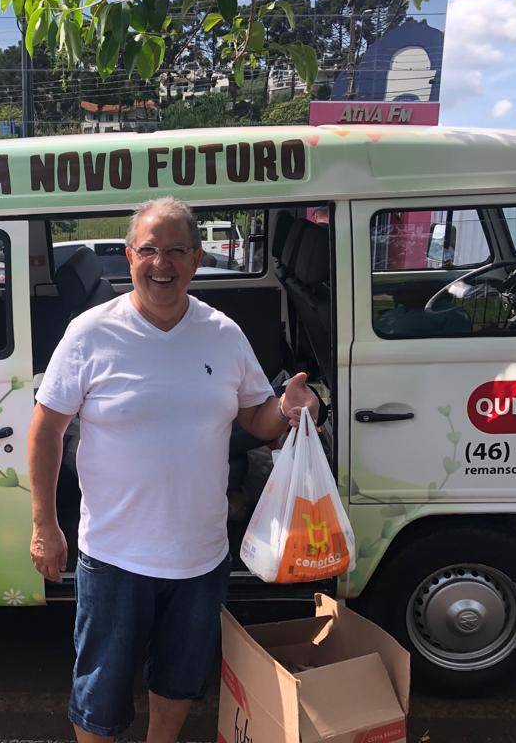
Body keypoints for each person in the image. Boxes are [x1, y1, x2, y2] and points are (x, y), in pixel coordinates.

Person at [28, 197, 321, 743]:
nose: (161, 264)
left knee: (180, 682)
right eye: (149, 250)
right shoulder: (90, 333)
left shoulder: (223, 333)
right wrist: (45, 524)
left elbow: (256, 418)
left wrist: (287, 408)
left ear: (196, 259)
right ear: (129, 256)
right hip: (114, 556)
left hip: (200, 557)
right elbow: (45, 431)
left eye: (177, 251)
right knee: (99, 697)